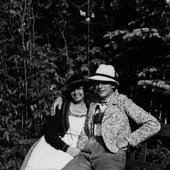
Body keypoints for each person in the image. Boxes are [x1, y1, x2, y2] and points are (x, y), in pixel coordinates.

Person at [60, 64, 161, 170]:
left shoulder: (122, 102)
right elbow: (85, 126)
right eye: (97, 83)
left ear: (113, 85)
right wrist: (60, 98)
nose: (100, 86)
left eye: (104, 82)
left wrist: (128, 140)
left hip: (111, 153)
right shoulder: (93, 102)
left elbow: (153, 124)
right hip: (87, 151)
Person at [20, 74, 90, 170]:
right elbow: (50, 133)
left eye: (79, 89)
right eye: (73, 90)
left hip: (79, 145)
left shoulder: (91, 107)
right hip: (58, 145)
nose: (76, 92)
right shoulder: (61, 107)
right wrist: (68, 149)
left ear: (84, 89)